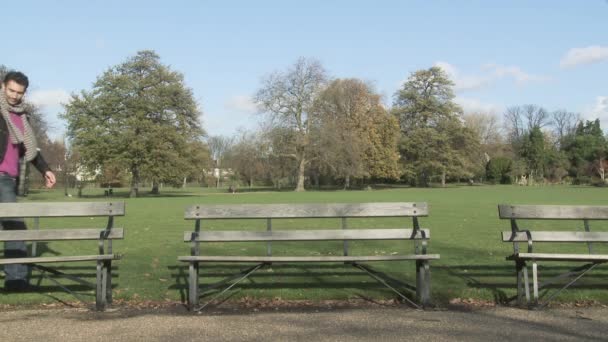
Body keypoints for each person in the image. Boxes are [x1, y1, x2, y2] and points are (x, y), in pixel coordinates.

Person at [0, 71, 56, 291]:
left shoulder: (22, 116)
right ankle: (16, 279)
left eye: (19, 92)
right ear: (3, 86)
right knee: (15, 226)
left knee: (14, 227)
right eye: (11, 90)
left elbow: (29, 149)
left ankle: (15, 280)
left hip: (8, 180)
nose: (14, 96)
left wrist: (45, 170)